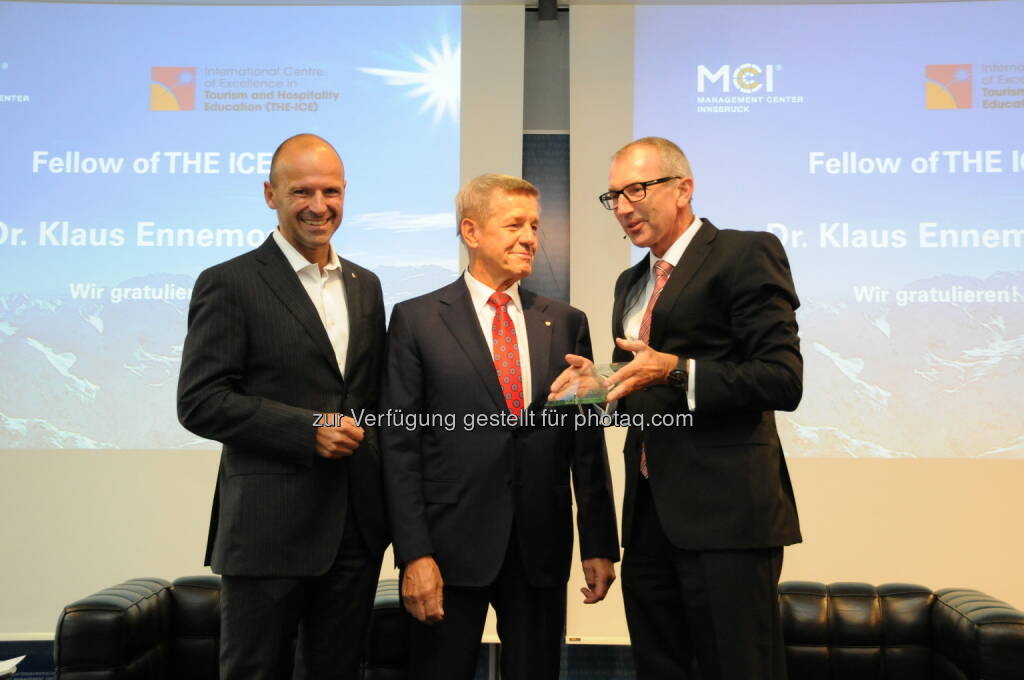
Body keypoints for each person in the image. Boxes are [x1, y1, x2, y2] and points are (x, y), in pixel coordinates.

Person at [550, 137, 803, 679]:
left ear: (683, 189)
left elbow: (781, 379)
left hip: (728, 519)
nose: (622, 207)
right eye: (614, 196)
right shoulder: (630, 282)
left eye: (637, 190)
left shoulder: (744, 253)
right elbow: (644, 385)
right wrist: (599, 385)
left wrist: (676, 369)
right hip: (648, 521)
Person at [381, 174, 620, 680]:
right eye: (514, 225)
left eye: (534, 226)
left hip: (539, 549)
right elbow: (399, 448)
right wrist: (414, 554)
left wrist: (599, 542)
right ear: (471, 231)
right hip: (447, 551)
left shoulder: (567, 321)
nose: (530, 238)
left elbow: (586, 444)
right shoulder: (416, 320)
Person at [177, 133, 388, 680]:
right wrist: (307, 430)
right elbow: (200, 401)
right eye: (302, 191)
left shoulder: (366, 285)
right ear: (270, 195)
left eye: (331, 191)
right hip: (266, 532)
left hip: (354, 531)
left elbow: (371, 400)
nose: (319, 205)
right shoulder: (229, 282)